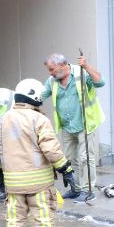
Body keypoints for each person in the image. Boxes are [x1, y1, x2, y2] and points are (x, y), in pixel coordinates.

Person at [0, 79, 76, 227]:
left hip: (13, 185)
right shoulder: (39, 120)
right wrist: (66, 170)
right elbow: (51, 150)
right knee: (44, 224)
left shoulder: (2, 121)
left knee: (14, 224)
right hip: (40, 185)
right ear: (36, 97)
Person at [42, 53, 105, 202]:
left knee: (85, 158)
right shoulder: (52, 81)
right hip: (67, 125)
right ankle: (75, 189)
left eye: (52, 69)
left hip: (85, 123)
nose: (50, 73)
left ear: (62, 65)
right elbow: (41, 96)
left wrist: (87, 66)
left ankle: (88, 190)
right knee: (69, 159)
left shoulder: (80, 73)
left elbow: (100, 82)